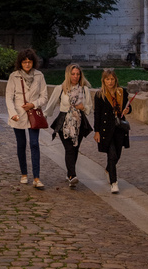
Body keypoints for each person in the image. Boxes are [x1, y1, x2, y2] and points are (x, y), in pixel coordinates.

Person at [45, 63, 94, 188]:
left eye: (78, 74)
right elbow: (50, 105)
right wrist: (43, 117)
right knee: (69, 148)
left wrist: (84, 107)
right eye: (73, 74)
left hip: (79, 122)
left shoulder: (84, 90)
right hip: (64, 122)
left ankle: (69, 173)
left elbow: (89, 108)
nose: (75, 76)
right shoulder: (60, 88)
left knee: (75, 148)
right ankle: (72, 175)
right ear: (68, 75)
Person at [6, 48, 48, 189]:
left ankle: (36, 177)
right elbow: (8, 97)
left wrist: (33, 104)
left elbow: (44, 96)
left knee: (34, 144)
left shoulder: (39, 76)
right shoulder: (14, 76)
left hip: (34, 114)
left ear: (33, 62)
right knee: (21, 144)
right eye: (25, 62)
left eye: (29, 62)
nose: (27, 64)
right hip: (18, 115)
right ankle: (24, 173)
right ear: (21, 63)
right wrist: (12, 113)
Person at [94, 69, 131, 194]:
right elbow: (97, 114)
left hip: (119, 127)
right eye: (107, 79)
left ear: (115, 79)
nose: (110, 82)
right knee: (112, 154)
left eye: (112, 79)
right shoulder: (100, 95)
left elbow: (128, 107)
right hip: (106, 129)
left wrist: (127, 110)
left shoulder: (121, 92)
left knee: (118, 154)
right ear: (103, 80)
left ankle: (108, 169)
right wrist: (97, 131)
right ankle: (114, 182)